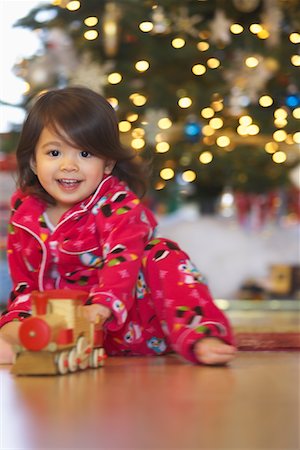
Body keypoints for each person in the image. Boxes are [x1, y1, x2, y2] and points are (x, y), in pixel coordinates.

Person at [0, 86, 236, 366]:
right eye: (54, 153)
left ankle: (201, 335)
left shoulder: (118, 205)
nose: (69, 165)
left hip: (127, 323)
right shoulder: (25, 214)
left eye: (85, 154)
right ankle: (21, 342)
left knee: (161, 253)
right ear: (33, 162)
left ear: (108, 163)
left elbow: (122, 258)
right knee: (19, 313)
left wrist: (102, 305)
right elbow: (25, 282)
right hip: (61, 320)